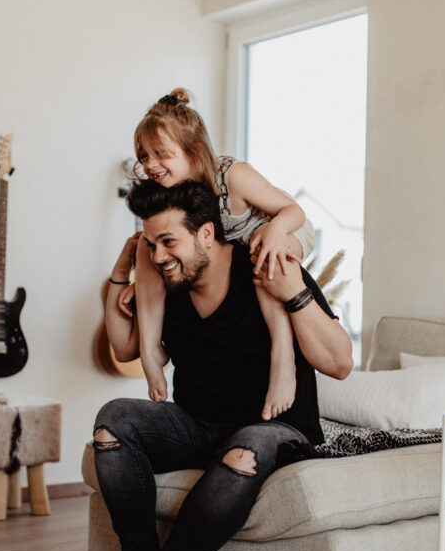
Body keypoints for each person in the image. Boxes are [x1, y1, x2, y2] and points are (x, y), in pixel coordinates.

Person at [76, 179, 352, 551]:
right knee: (114, 420)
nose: (159, 256)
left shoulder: (265, 266)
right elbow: (124, 350)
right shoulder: (169, 283)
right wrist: (122, 275)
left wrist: (295, 293)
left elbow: (340, 363)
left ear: (206, 234)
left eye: (169, 242)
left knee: (248, 446)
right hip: (198, 425)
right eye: (152, 244)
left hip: (274, 428)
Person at [128, 88, 317, 421]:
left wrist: (275, 232)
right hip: (231, 250)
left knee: (260, 251)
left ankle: (283, 358)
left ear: (193, 151)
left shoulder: (231, 175)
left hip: (283, 229)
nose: (150, 165)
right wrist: (130, 280)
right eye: (143, 156)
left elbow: (293, 211)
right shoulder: (168, 192)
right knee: (146, 243)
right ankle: (150, 349)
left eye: (161, 154)